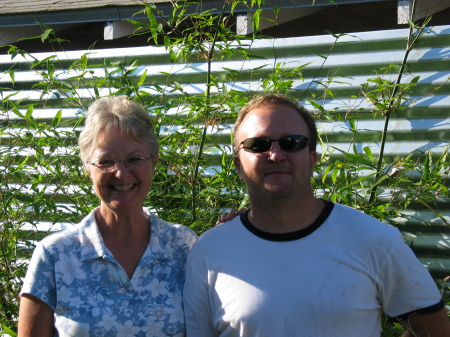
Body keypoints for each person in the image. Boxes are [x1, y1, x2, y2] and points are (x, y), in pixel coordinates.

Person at [183, 93, 450, 337]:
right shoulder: (209, 251)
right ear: (238, 164)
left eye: (292, 143)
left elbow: (435, 330)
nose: (275, 155)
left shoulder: (374, 240)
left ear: (312, 159)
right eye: (257, 144)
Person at [18, 96, 197, 337]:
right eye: (106, 161)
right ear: (87, 167)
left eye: (135, 159)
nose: (121, 173)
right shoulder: (55, 256)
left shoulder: (183, 247)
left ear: (153, 163)